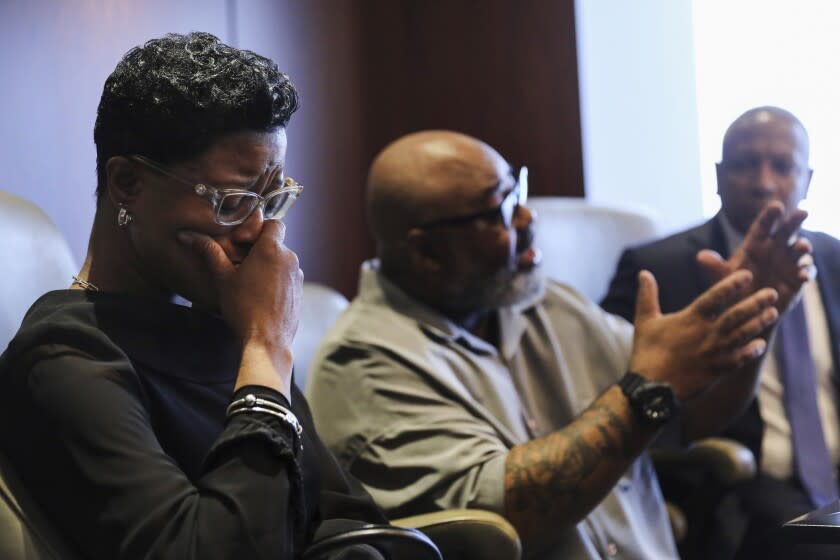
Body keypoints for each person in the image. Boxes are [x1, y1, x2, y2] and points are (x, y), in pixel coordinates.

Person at [305, 129, 812, 559]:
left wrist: (757, 320)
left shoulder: (546, 302)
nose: (528, 220)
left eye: (517, 192)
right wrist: (646, 390)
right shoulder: (365, 365)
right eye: (501, 209)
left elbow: (695, 411)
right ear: (427, 252)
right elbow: (510, 513)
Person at [0, 32, 400, 560]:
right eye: (232, 201)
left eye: (272, 197)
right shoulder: (65, 359)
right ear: (127, 184)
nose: (259, 230)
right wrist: (265, 349)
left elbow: (350, 520)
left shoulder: (221, 324)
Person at [601, 106, 840, 559]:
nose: (764, 182)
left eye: (783, 166)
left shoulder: (834, 259)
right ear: (717, 175)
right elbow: (612, 395)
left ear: (807, 179)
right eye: (746, 164)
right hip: (741, 487)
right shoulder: (656, 266)